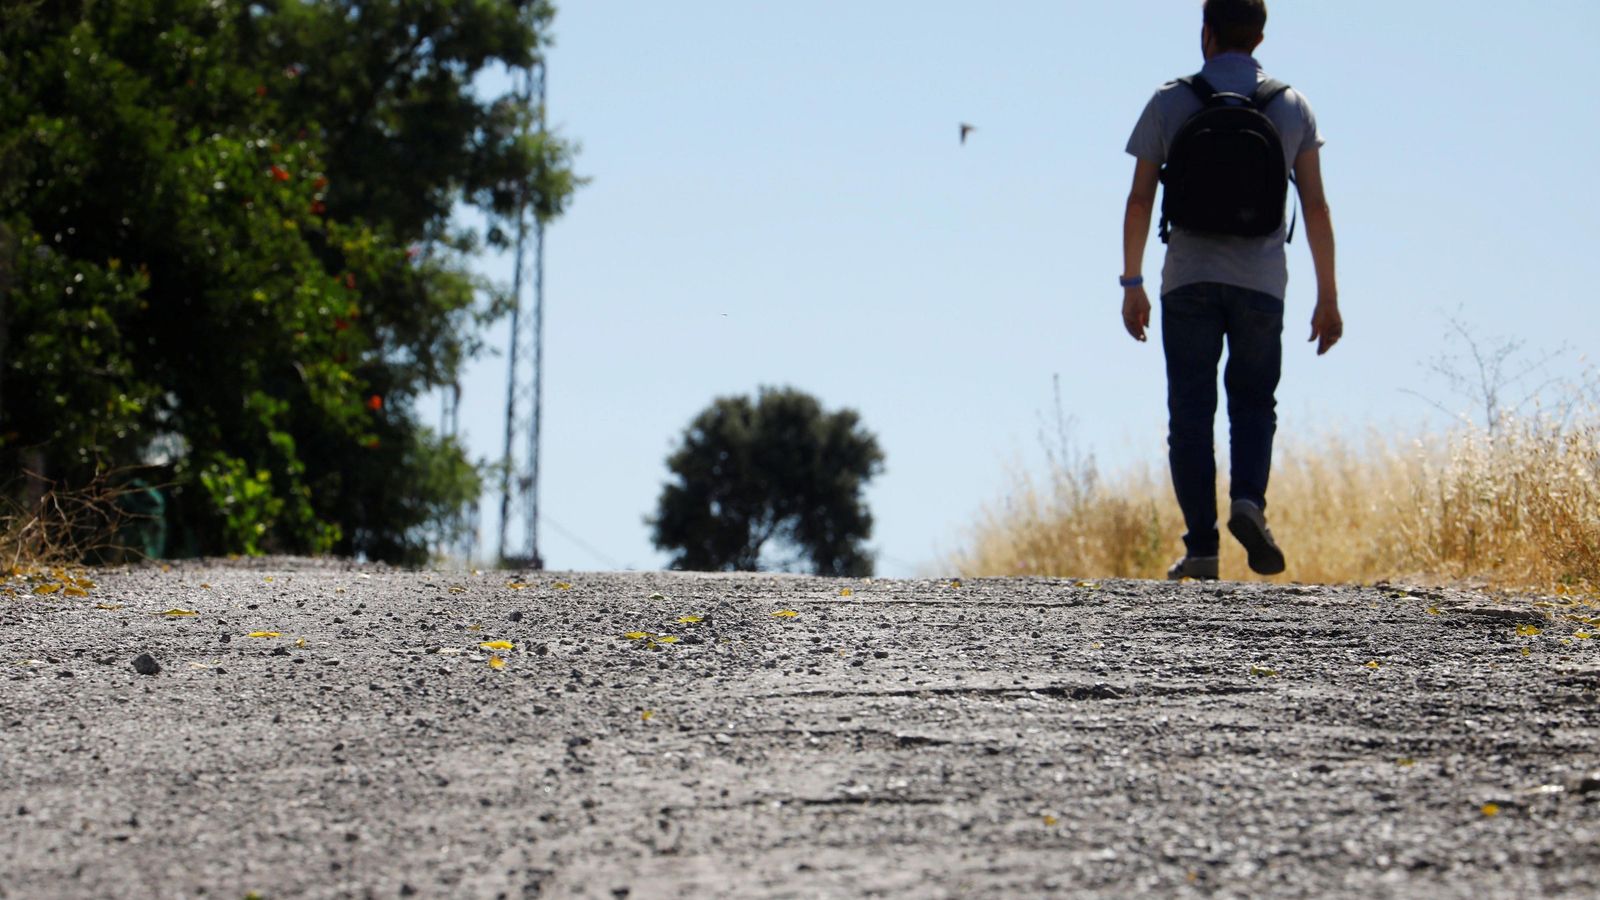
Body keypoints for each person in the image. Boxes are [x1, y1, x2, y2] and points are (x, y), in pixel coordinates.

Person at [1119, 0, 1342, 580]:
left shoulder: (1171, 100)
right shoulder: (1292, 106)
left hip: (1188, 278)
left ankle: (1201, 549)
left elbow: (1140, 198)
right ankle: (1249, 501)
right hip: (1262, 285)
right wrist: (1329, 295)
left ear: (1206, 33)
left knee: (1190, 410)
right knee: (1253, 401)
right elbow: (1315, 205)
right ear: (1261, 34)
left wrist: (1132, 282)